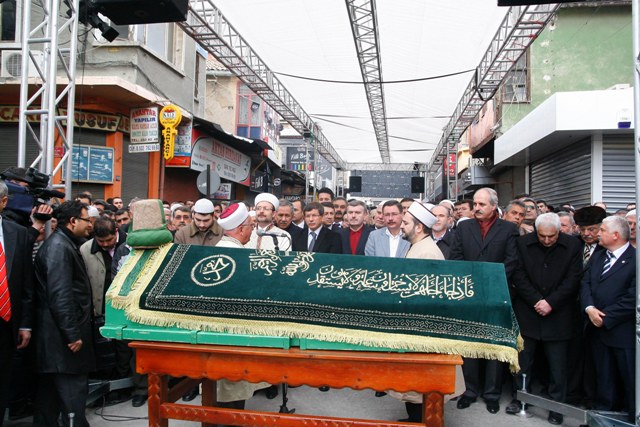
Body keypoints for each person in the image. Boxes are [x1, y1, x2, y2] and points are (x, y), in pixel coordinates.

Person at [450, 188, 519, 415]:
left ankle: (492, 394)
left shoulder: (508, 229)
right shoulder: (464, 227)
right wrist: (471, 284)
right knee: (470, 342)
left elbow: (511, 261)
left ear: (494, 206)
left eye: (482, 204)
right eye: (475, 204)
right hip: (469, 295)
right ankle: (469, 390)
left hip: (496, 295)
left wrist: (489, 282)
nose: (477, 208)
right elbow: (456, 258)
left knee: (493, 344)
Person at [508, 213, 583, 425]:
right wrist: (536, 300)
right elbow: (518, 275)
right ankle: (520, 397)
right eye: (542, 236)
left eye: (552, 236)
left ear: (559, 232)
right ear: (536, 232)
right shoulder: (523, 243)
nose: (547, 240)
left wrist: (551, 302)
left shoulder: (572, 246)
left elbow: (573, 279)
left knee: (557, 365)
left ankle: (557, 406)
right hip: (529, 310)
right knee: (523, 361)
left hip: (558, 313)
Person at [33, 201, 95, 427]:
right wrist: (72, 334)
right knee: (71, 398)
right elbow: (60, 294)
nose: (90, 225)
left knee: (51, 399)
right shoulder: (59, 247)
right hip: (61, 341)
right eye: (87, 220)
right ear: (73, 221)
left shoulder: (63, 243)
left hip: (56, 338)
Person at [390, 201, 445, 422]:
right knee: (413, 382)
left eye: (405, 223)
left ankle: (420, 422)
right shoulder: (417, 246)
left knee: (422, 382)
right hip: (412, 325)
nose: (401, 226)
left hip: (422, 328)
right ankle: (415, 420)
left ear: (419, 227)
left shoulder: (428, 252)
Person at [580, 215, 635, 421]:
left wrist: (606, 317)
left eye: (602, 230)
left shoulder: (636, 260)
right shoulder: (598, 256)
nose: (598, 234)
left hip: (621, 333)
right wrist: (589, 308)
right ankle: (603, 419)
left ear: (615, 235)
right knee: (602, 379)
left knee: (628, 380)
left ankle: (632, 417)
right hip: (596, 330)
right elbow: (585, 283)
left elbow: (633, 297)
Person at [0, 180, 33, 427]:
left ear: (3, 202)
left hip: (7, 324)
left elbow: (25, 283)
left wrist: (25, 324)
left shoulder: (18, 233)